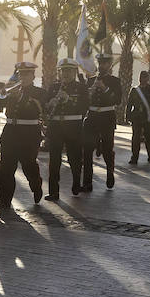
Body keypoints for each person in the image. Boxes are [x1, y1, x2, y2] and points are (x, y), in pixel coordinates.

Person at [0, 61, 46, 210]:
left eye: (26, 74)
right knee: (6, 168)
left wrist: (30, 99)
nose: (23, 76)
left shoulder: (39, 92)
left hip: (29, 133)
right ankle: (4, 200)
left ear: (32, 75)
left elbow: (43, 108)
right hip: (11, 131)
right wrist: (6, 92)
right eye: (21, 74)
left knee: (28, 165)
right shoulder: (12, 91)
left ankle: (36, 185)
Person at [44, 58, 89, 199]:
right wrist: (50, 103)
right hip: (56, 127)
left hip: (73, 127)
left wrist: (68, 99)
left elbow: (84, 107)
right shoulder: (53, 87)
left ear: (74, 72)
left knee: (74, 159)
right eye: (63, 71)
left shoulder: (81, 87)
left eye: (69, 70)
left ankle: (76, 183)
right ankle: (53, 191)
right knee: (54, 160)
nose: (66, 74)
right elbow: (45, 107)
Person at [81, 53, 122, 191]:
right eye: (100, 63)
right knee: (87, 151)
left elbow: (118, 100)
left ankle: (110, 173)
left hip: (106, 118)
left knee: (106, 150)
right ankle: (87, 183)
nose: (102, 66)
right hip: (92, 117)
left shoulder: (115, 81)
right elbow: (84, 102)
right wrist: (89, 92)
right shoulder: (91, 80)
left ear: (109, 65)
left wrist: (105, 89)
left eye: (105, 63)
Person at [125, 70, 150, 164]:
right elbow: (129, 104)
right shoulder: (134, 90)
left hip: (147, 117)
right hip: (137, 117)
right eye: (141, 77)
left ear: (147, 78)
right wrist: (127, 116)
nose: (142, 79)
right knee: (136, 138)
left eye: (145, 77)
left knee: (149, 138)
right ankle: (134, 157)